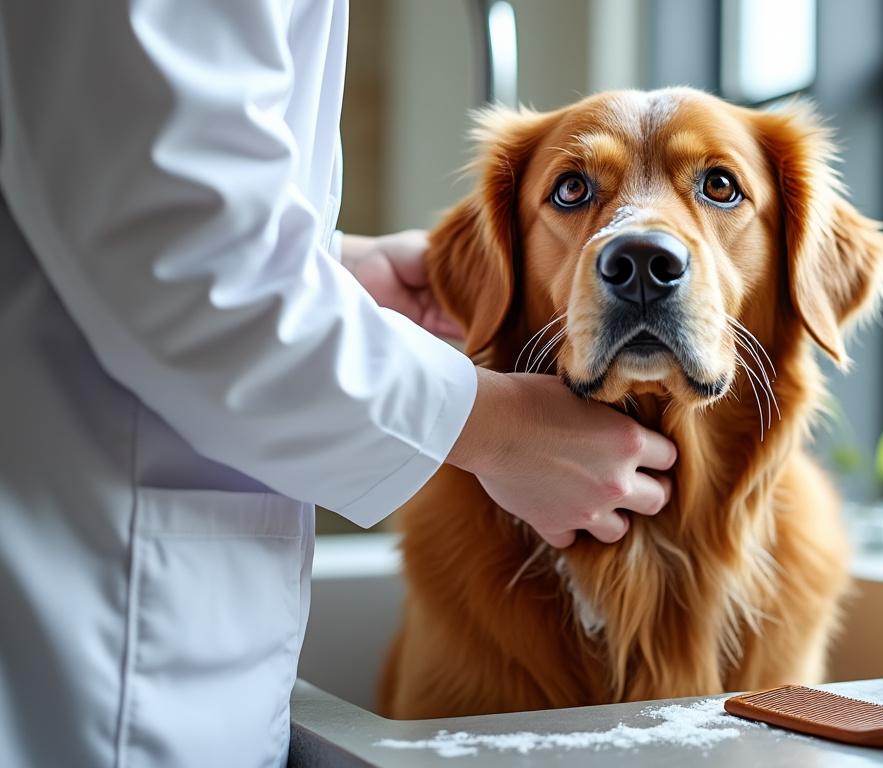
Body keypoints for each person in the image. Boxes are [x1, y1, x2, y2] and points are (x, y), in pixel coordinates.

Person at [0, 2, 675, 767]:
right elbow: (180, 258)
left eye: (718, 188)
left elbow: (126, 191)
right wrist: (493, 427)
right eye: (574, 193)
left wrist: (330, 267)